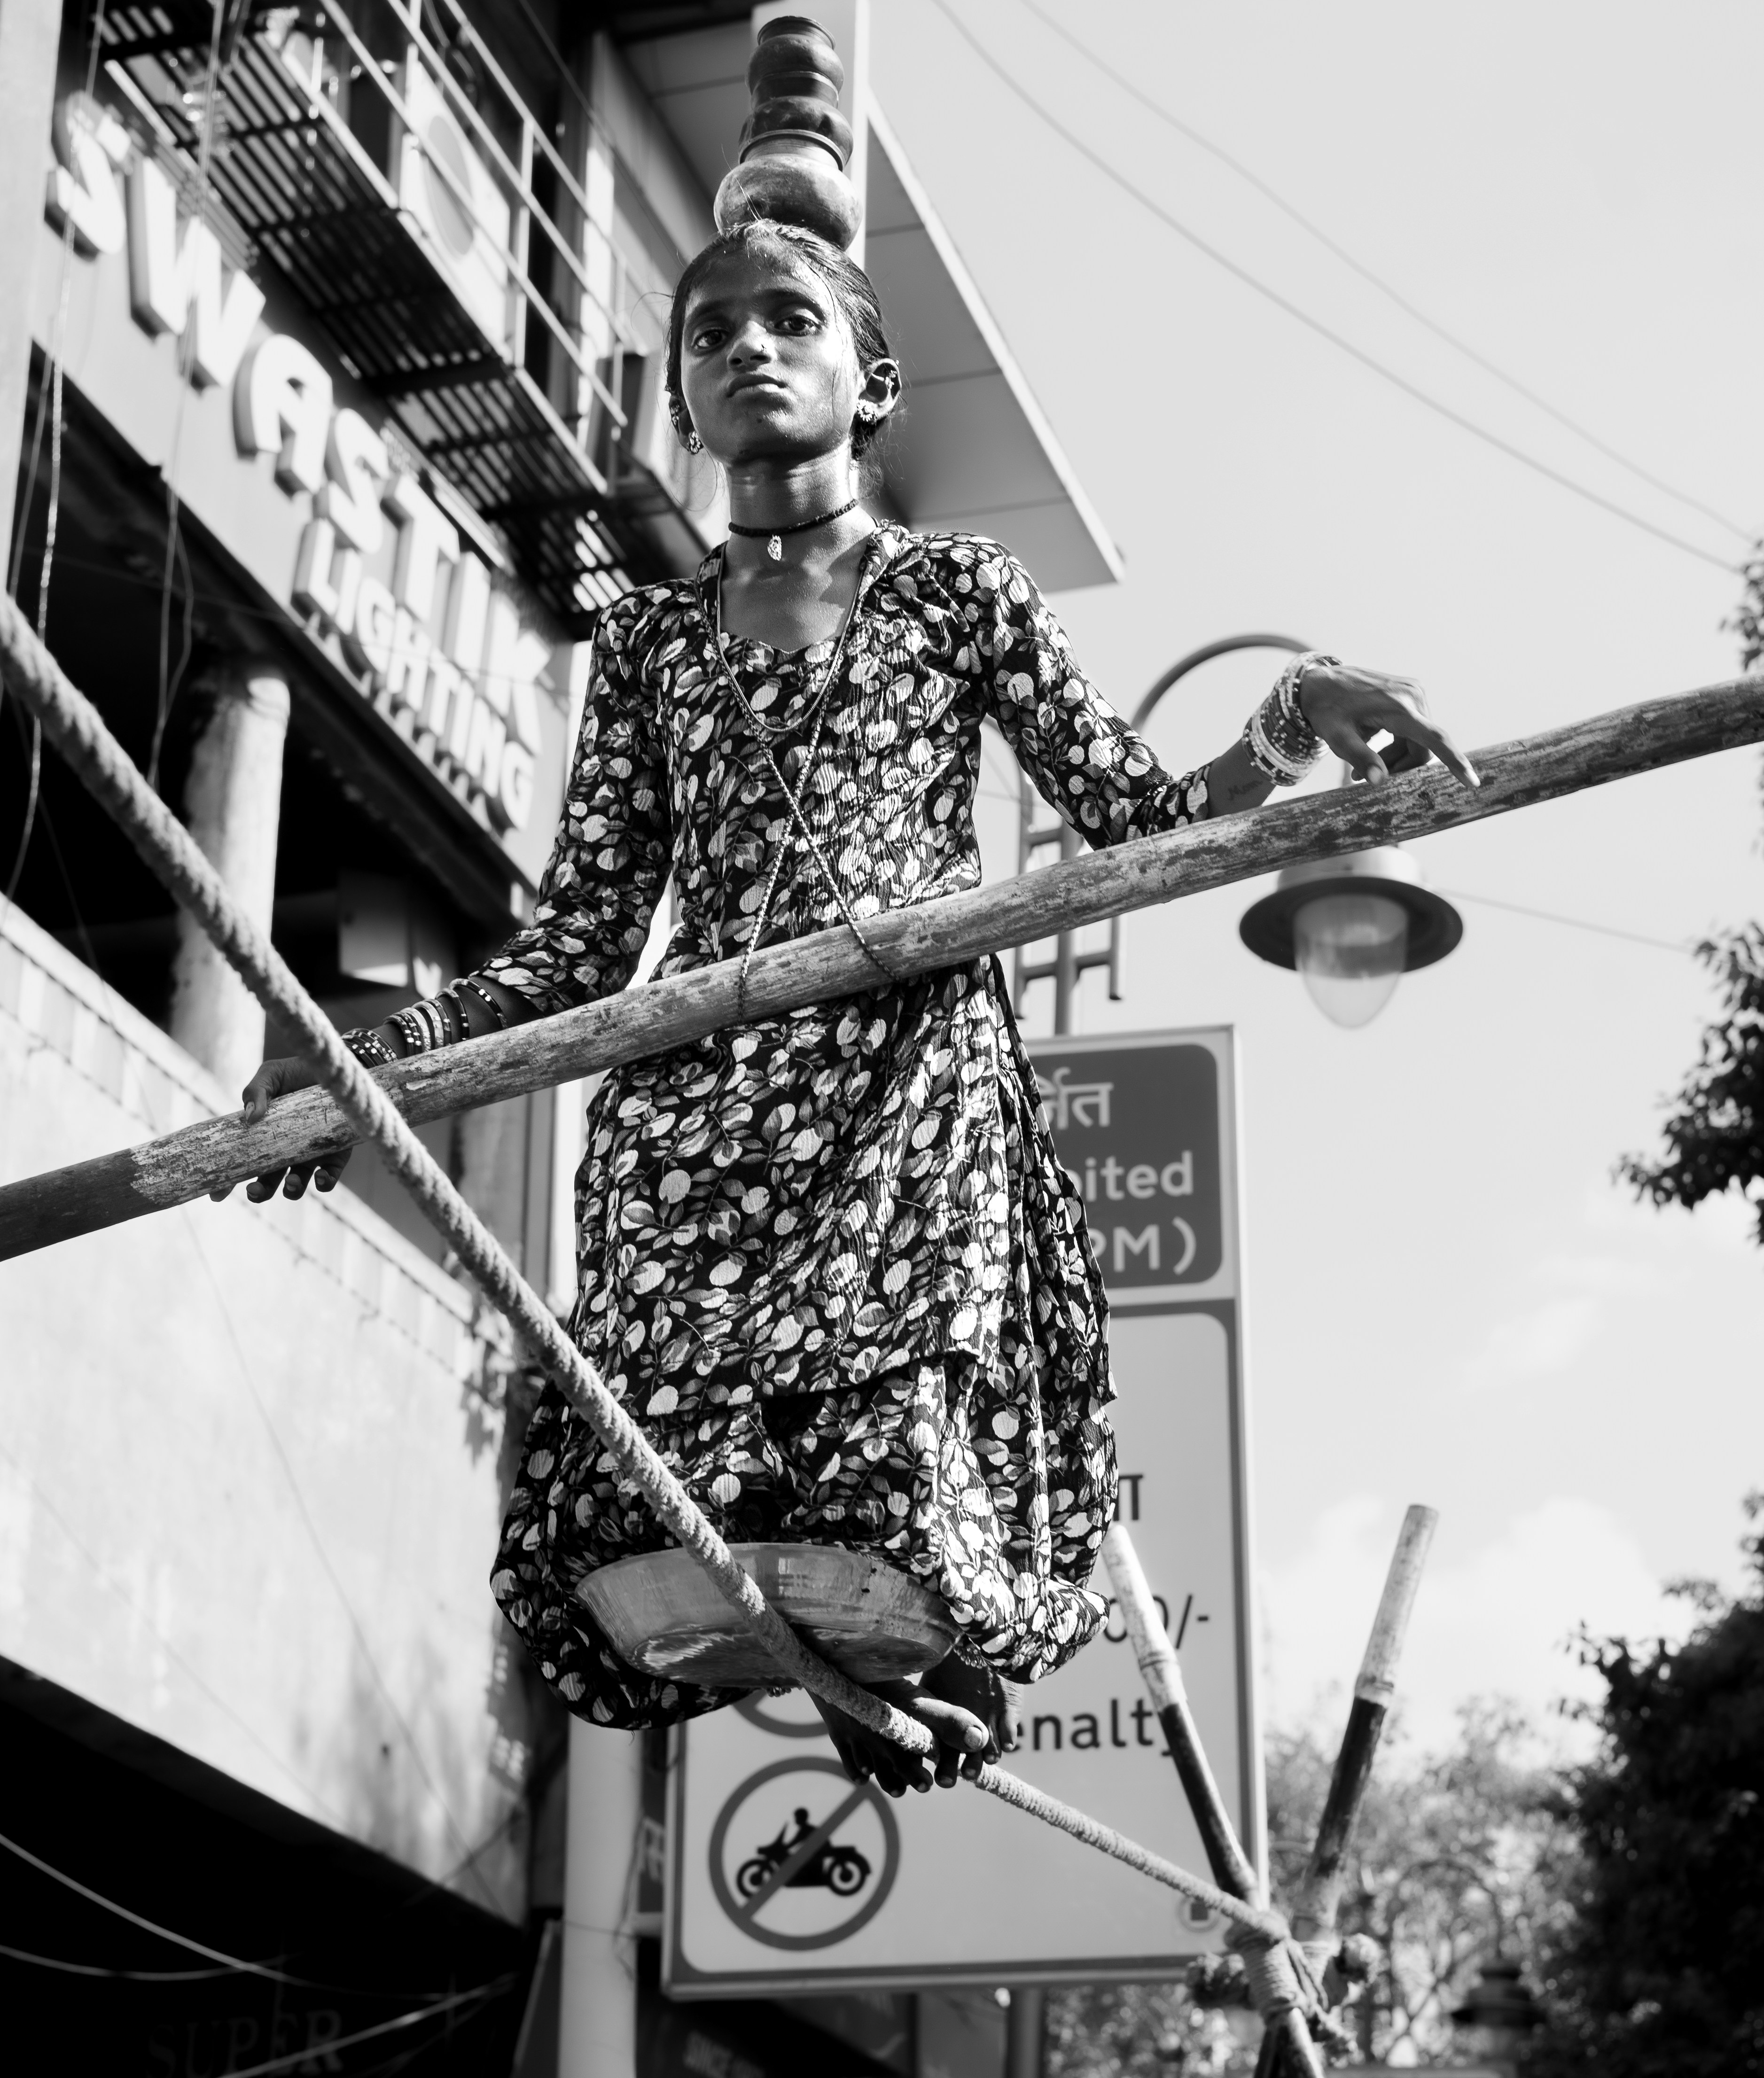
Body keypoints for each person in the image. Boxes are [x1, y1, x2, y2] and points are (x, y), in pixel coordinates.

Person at [235, 218, 1476, 1800]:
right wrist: (376, 1057)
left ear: (870, 379)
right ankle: (838, 1666)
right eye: (711, 331)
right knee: (679, 1489)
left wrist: (1294, 707)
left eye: (791, 319)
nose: (748, 345)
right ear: (683, 397)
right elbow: (581, 943)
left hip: (901, 1096)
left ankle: (893, 1668)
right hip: (693, 1125)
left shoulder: (958, 592)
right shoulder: (647, 644)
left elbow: (1135, 823)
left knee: (883, 1449)